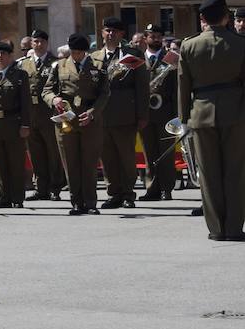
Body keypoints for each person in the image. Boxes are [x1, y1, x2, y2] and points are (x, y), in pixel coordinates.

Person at [177, 0, 245, 241]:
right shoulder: (240, 44)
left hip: (200, 113)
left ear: (202, 19)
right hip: (235, 113)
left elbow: (183, 85)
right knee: (235, 172)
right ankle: (234, 228)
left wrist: (183, 119)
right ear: (227, 17)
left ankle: (216, 229)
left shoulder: (189, 45)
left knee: (208, 174)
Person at [44, 34, 110, 215]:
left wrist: (93, 113)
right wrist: (54, 99)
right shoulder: (59, 66)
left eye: (80, 52)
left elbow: (104, 93)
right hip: (67, 119)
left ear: (85, 51)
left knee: (88, 163)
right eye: (73, 52)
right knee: (70, 163)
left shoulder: (98, 66)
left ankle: (90, 202)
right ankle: (76, 202)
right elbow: (47, 90)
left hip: (89, 119)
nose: (76, 56)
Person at [92, 17, 149, 210]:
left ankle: (128, 194)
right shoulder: (95, 57)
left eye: (115, 31)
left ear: (122, 34)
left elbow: (142, 87)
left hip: (125, 114)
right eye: (107, 30)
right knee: (107, 158)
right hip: (102, 115)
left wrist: (142, 115)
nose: (110, 34)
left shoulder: (133, 54)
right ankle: (114, 193)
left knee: (126, 156)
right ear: (101, 32)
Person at [18, 30, 65, 201]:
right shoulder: (24, 64)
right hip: (31, 114)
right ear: (31, 43)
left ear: (47, 43)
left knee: (53, 152)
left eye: (41, 42)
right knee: (35, 153)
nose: (38, 44)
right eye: (35, 41)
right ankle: (40, 187)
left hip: (49, 113)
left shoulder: (56, 63)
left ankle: (55, 187)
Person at [0, 42, 31, 208]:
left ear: (10, 55)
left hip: (14, 123)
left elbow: (26, 102)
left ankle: (17, 197)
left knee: (16, 162)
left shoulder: (20, 75)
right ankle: (4, 196)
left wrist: (25, 124)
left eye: (3, 53)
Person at [140, 26, 179, 203]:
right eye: (151, 36)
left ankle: (166, 189)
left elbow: (177, 88)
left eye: (158, 36)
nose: (155, 39)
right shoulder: (138, 59)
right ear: (145, 38)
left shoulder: (170, 58)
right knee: (149, 153)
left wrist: (177, 115)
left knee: (166, 154)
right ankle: (151, 189)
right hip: (145, 113)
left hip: (165, 113)